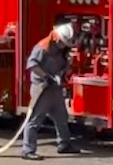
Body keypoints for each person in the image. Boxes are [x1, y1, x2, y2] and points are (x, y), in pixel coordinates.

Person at [20, 22, 81, 160]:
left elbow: (63, 65)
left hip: (55, 89)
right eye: (64, 43)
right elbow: (32, 65)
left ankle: (64, 144)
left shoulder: (61, 50)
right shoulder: (42, 47)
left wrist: (65, 71)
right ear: (57, 39)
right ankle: (28, 150)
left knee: (62, 117)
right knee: (35, 120)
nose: (64, 45)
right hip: (42, 89)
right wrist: (46, 77)